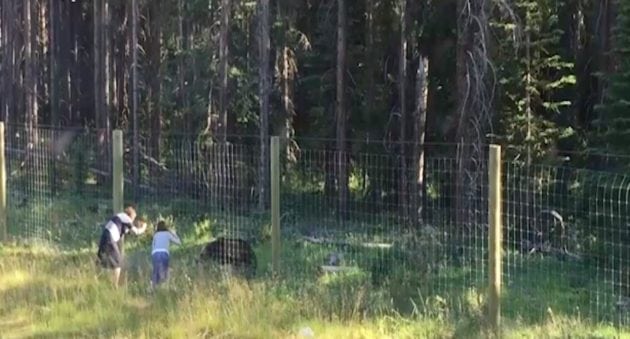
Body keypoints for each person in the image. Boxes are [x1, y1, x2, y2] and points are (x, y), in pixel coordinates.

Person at [96, 206, 147, 288]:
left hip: (105, 236)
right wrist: (144, 228)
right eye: (133, 218)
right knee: (118, 262)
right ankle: (114, 286)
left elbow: (127, 231)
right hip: (110, 238)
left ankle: (96, 282)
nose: (133, 221)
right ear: (131, 215)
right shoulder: (125, 217)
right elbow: (136, 232)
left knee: (102, 261)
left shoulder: (120, 218)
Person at [151, 221, 181, 288]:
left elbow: (153, 245)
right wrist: (174, 233)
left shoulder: (155, 235)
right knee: (164, 270)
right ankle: (164, 287)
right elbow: (178, 242)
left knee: (155, 271)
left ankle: (153, 288)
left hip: (155, 253)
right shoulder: (167, 234)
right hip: (164, 252)